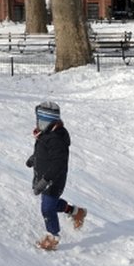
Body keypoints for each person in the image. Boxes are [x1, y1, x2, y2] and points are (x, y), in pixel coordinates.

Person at [25, 102, 87, 251]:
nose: (38, 124)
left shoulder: (56, 139)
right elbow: (44, 152)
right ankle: (76, 212)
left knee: (47, 208)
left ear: (48, 121)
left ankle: (52, 236)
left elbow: (58, 163)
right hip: (44, 176)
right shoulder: (45, 134)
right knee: (51, 204)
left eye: (41, 121)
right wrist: (34, 158)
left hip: (54, 179)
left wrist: (46, 181)